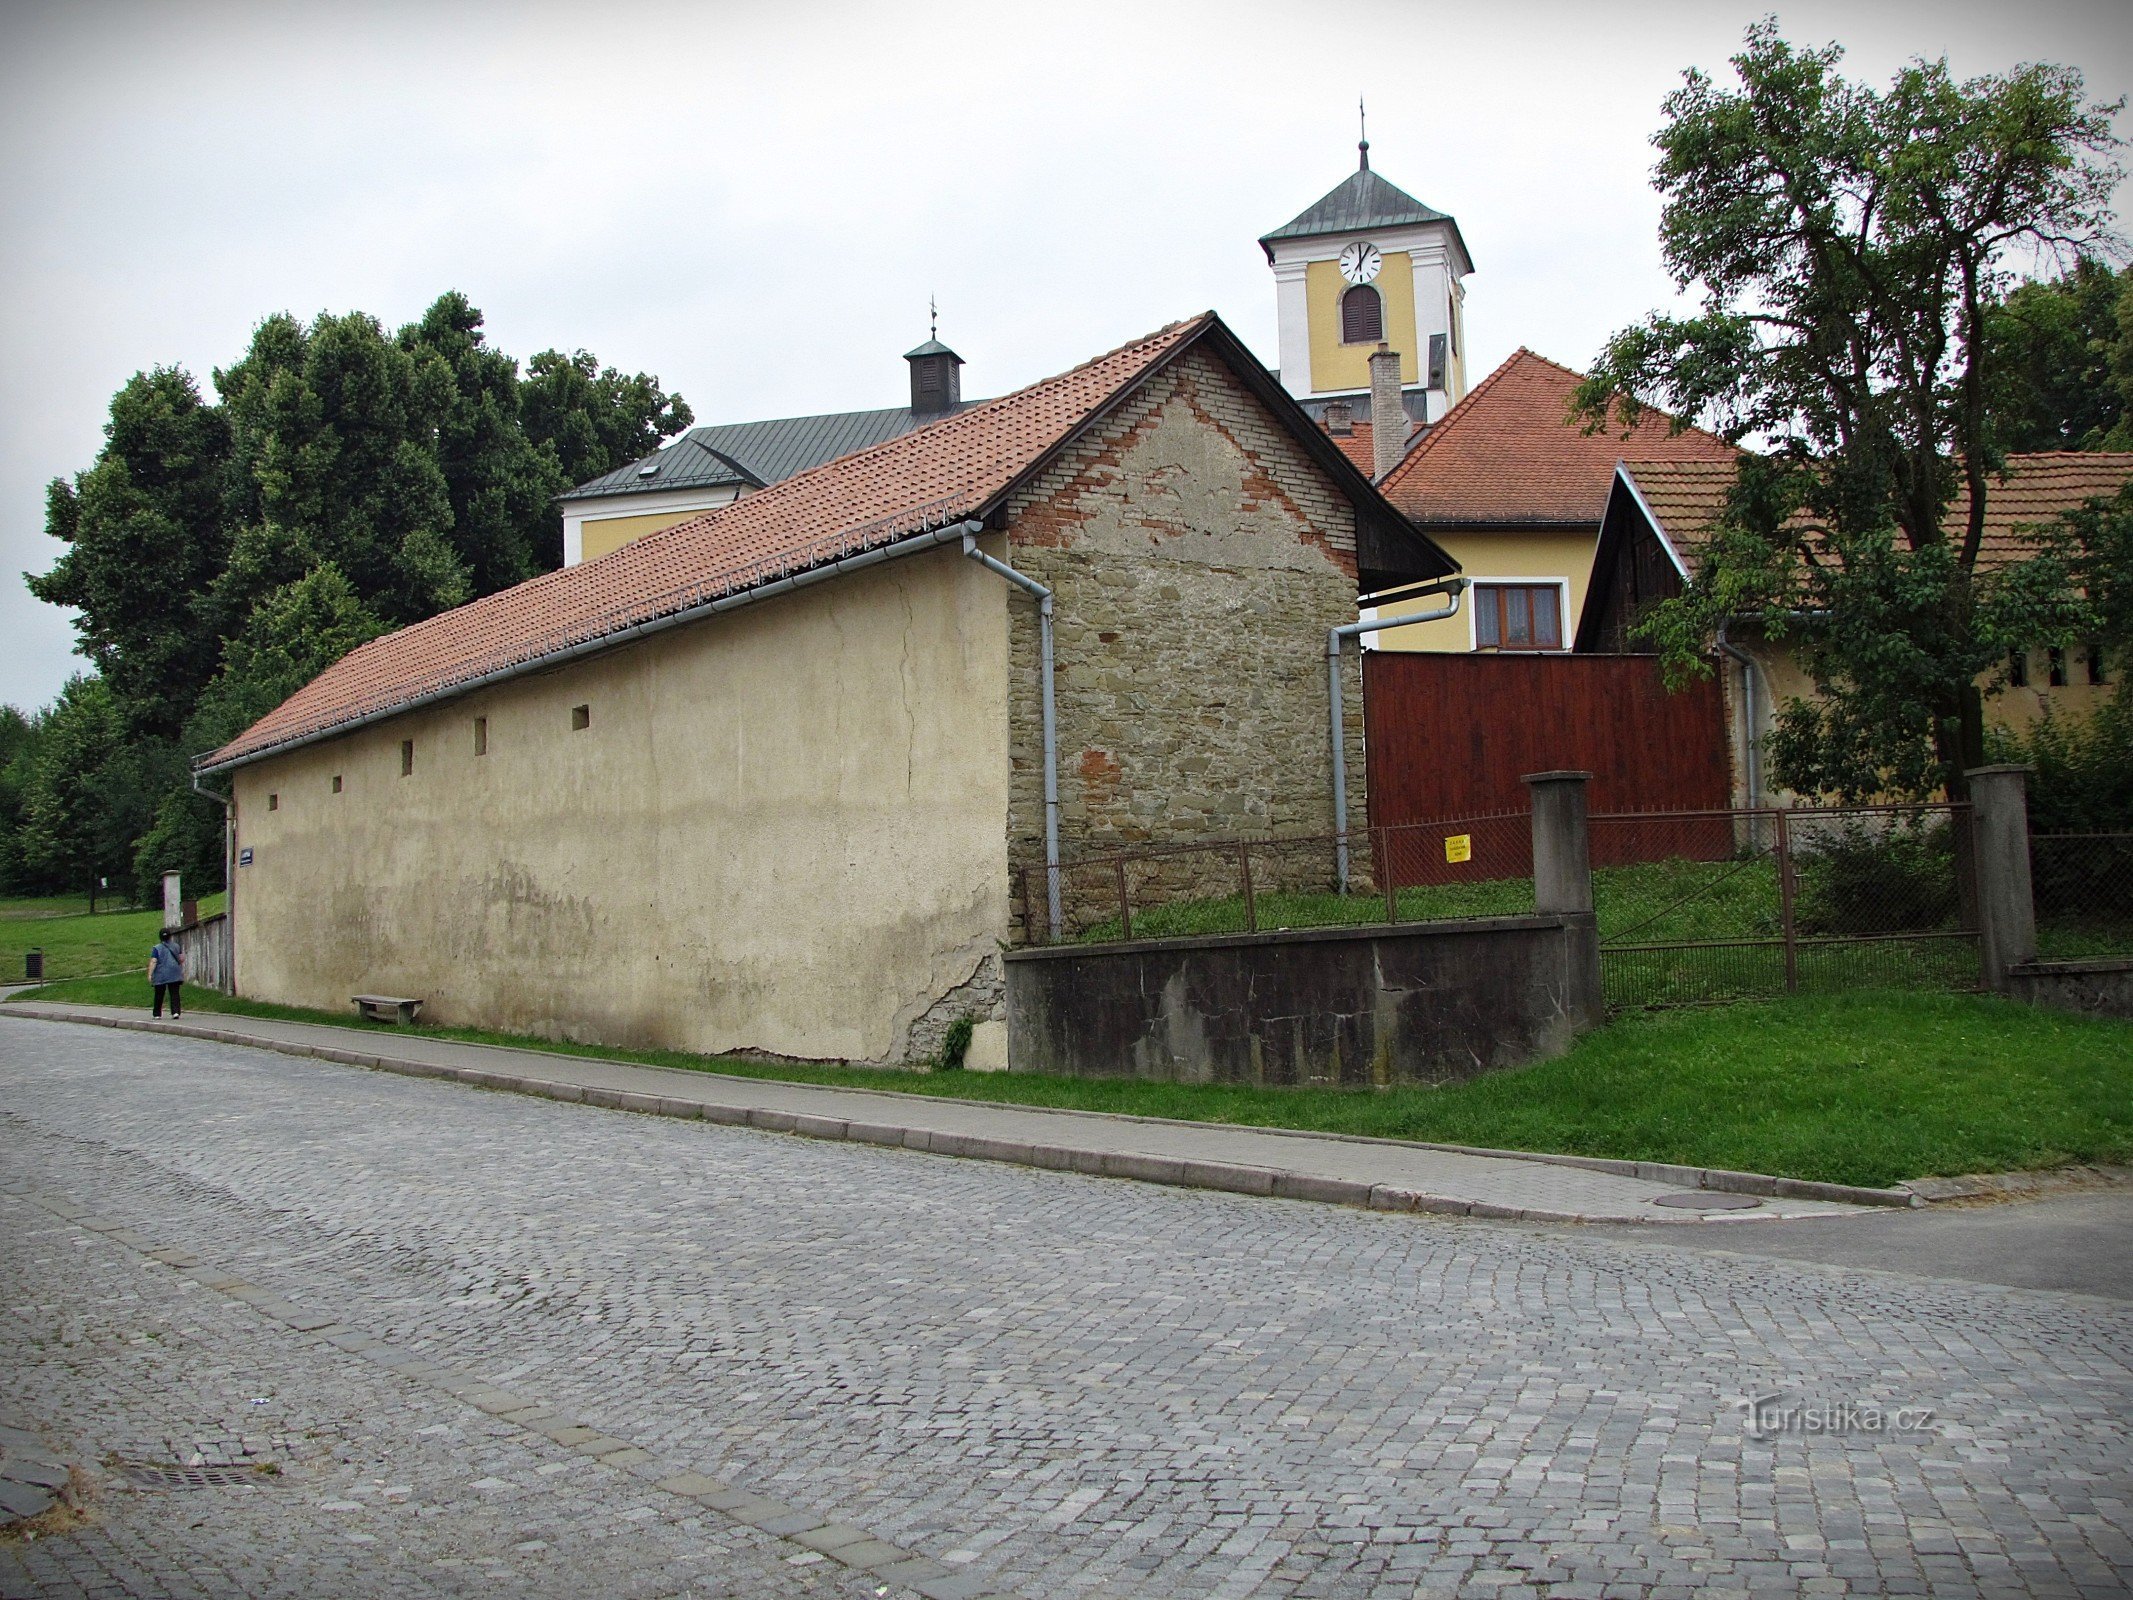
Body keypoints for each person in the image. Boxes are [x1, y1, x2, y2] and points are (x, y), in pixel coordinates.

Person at [148, 931, 184, 1018]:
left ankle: (157, 1014)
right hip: (174, 972)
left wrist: (150, 974)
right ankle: (175, 1012)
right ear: (170, 936)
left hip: (161, 974)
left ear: (160, 937)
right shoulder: (176, 946)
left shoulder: (157, 948)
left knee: (159, 994)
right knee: (174, 993)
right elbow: (181, 958)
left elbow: (154, 961)